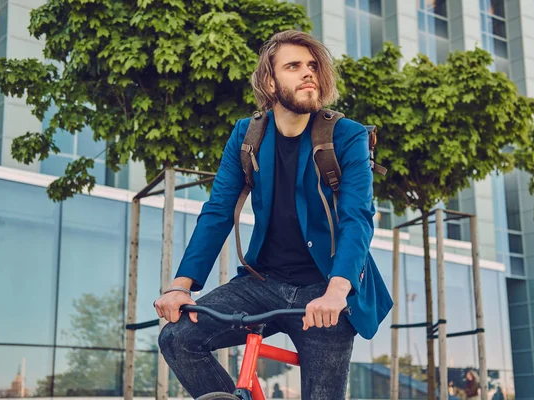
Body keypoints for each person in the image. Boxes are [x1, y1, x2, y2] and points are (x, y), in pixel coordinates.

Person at [154, 30, 393, 400]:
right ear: (269, 80)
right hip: (263, 283)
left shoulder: (347, 135)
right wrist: (180, 286)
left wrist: (337, 291)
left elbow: (357, 217)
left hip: (324, 292)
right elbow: (218, 210)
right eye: (294, 66)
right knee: (178, 338)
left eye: (313, 65)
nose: (308, 73)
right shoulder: (246, 135)